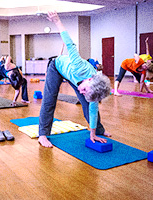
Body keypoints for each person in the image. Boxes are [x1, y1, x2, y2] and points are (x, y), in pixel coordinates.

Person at [38, 11, 111, 148]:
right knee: (49, 99)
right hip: (56, 67)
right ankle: (42, 134)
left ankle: (99, 130)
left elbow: (93, 110)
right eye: (84, 90)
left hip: (71, 75)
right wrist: (57, 21)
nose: (80, 92)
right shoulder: (80, 67)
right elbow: (69, 43)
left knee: (87, 103)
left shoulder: (92, 88)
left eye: (84, 92)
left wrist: (93, 133)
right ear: (89, 79)